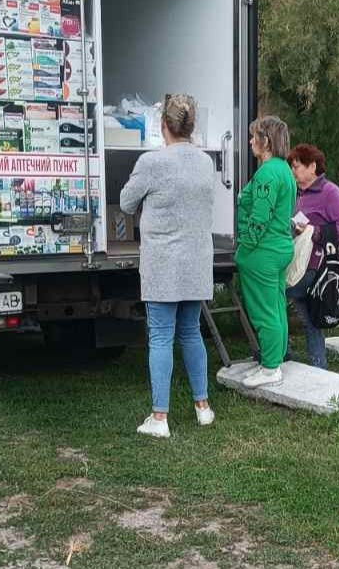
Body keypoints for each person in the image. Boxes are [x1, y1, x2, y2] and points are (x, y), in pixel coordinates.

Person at [118, 94, 217, 439]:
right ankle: (203, 407)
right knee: (191, 332)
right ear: (192, 126)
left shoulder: (151, 162)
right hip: (197, 261)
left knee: (161, 336)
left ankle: (159, 417)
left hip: (163, 264)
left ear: (163, 126)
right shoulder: (205, 162)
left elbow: (126, 202)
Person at [236, 115, 296, 388]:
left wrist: (245, 247)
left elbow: (260, 216)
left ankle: (270, 368)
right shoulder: (284, 170)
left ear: (266, 141)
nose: (250, 141)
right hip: (279, 247)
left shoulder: (267, 172)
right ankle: (275, 360)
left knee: (263, 312)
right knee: (276, 307)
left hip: (262, 251)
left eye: (254, 137)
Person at [284, 143, 339, 369]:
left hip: (317, 267)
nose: (293, 171)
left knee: (276, 294)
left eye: (297, 166)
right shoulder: (297, 193)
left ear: (312, 166)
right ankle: (318, 367)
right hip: (298, 263)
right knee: (310, 319)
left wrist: (314, 232)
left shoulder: (330, 193)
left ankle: (279, 354)